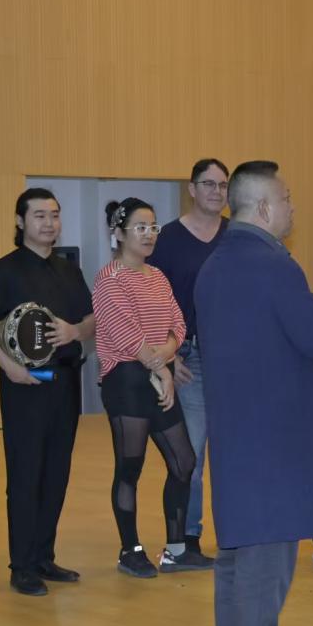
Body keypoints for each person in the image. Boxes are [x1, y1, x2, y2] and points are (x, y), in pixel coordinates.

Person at [195, 160, 313, 626]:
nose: (292, 207)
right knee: (271, 538)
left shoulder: (214, 265)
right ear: (263, 207)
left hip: (232, 423)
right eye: (286, 198)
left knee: (237, 541)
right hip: (275, 427)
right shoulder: (275, 266)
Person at [0, 188, 94, 597]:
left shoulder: (69, 270)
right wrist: (8, 366)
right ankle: (21, 565)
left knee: (56, 472)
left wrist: (75, 331)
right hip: (24, 385)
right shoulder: (5, 269)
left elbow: (92, 319)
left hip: (66, 382)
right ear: (20, 221)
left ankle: (43, 557)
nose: (49, 222)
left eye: (54, 215)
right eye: (39, 215)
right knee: (25, 474)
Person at [93, 197, 205, 577]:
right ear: (119, 233)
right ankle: (131, 550)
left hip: (158, 376)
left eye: (153, 227)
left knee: (183, 461)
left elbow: (178, 323)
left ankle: (177, 550)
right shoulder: (109, 279)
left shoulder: (157, 276)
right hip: (127, 381)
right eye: (140, 227)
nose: (149, 234)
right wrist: (163, 368)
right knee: (130, 467)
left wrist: (168, 357)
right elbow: (126, 334)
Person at [151, 158, 229, 566]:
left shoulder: (237, 235)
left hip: (233, 361)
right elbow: (151, 303)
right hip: (188, 360)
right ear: (192, 189)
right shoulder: (167, 239)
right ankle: (186, 539)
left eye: (223, 185)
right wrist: (167, 357)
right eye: (208, 184)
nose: (217, 191)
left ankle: (234, 534)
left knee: (233, 455)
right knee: (191, 456)